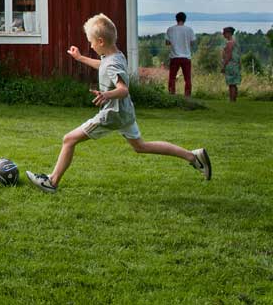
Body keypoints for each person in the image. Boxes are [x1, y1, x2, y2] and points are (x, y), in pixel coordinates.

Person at [25, 13, 211, 194]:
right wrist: (80, 58)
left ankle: (52, 181)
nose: (90, 45)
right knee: (141, 146)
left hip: (112, 114)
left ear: (100, 42)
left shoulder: (112, 63)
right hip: (125, 112)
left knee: (69, 139)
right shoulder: (116, 55)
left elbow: (123, 89)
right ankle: (193, 157)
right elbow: (103, 65)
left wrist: (107, 94)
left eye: (91, 42)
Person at [166, 11, 196, 97]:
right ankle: (187, 95)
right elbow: (193, 42)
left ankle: (172, 94)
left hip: (174, 57)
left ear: (176, 19)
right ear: (185, 20)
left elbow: (167, 42)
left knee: (172, 78)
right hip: (186, 57)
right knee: (187, 78)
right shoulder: (189, 30)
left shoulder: (170, 29)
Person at [221, 26, 241, 102]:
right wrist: (239, 64)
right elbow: (238, 55)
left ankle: (231, 100)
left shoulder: (229, 43)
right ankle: (234, 99)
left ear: (229, 33)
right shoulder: (235, 42)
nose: (223, 35)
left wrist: (224, 66)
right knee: (234, 83)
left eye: (224, 33)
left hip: (230, 64)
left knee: (231, 83)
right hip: (235, 64)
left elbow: (228, 56)